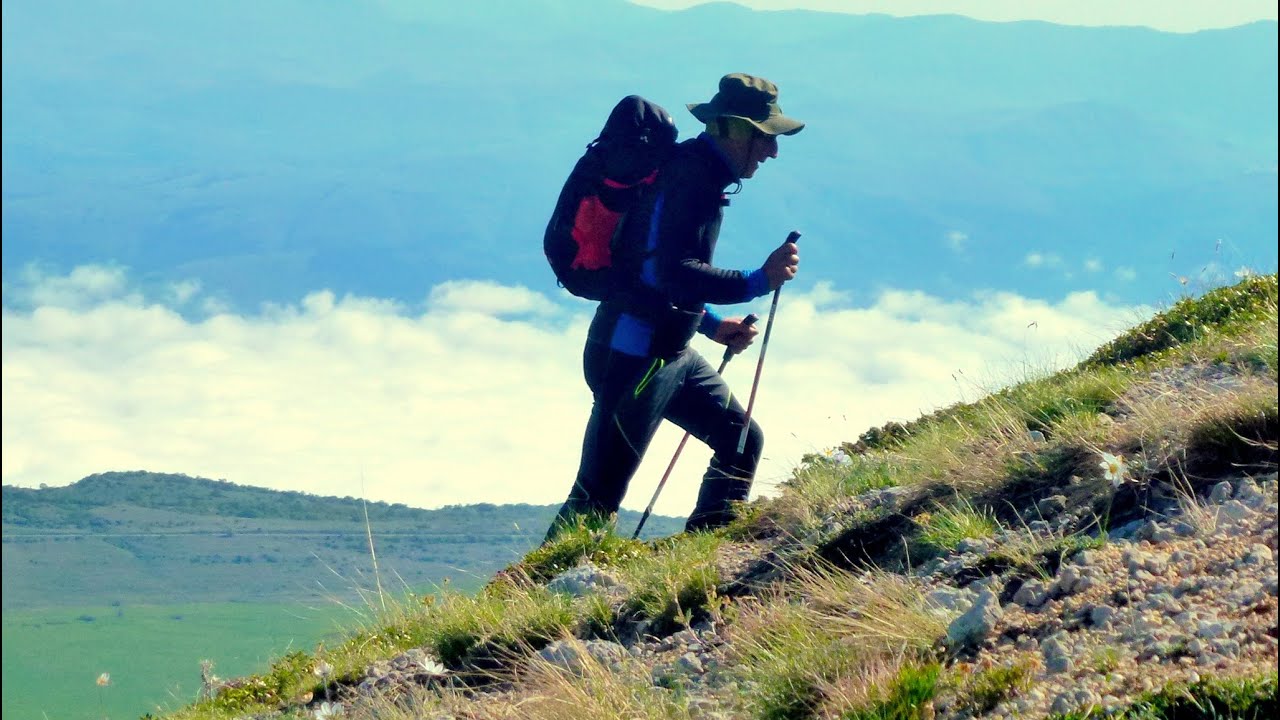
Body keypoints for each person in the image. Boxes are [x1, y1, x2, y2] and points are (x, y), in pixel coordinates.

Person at [545, 73, 804, 541]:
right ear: (733, 129)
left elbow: (646, 273)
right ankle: (528, 602)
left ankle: (707, 558)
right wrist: (758, 280)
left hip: (666, 347)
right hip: (633, 356)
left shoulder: (697, 174)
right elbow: (672, 273)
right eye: (765, 137)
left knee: (740, 441)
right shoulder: (689, 180)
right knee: (594, 502)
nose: (772, 151)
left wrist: (709, 325)